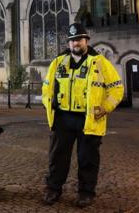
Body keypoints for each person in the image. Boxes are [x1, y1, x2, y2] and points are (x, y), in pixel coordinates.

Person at [41, 23, 124, 208]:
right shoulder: (58, 61)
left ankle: (86, 192)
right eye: (72, 40)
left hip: (89, 118)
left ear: (86, 40)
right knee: (57, 156)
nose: (75, 43)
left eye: (78, 39)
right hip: (62, 117)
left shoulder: (100, 62)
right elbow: (46, 87)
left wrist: (106, 107)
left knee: (87, 158)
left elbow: (117, 87)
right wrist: (49, 102)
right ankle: (53, 188)